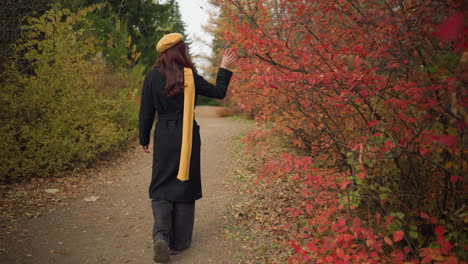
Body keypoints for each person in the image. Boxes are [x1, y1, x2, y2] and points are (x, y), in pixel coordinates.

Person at [138, 33, 237, 263]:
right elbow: (219, 93)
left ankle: (161, 236)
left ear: (163, 54)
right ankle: (180, 242)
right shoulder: (189, 76)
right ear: (181, 51)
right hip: (187, 135)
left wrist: (144, 138)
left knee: (162, 183)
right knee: (185, 184)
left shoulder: (152, 76)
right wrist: (223, 67)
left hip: (164, 133)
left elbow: (145, 112)